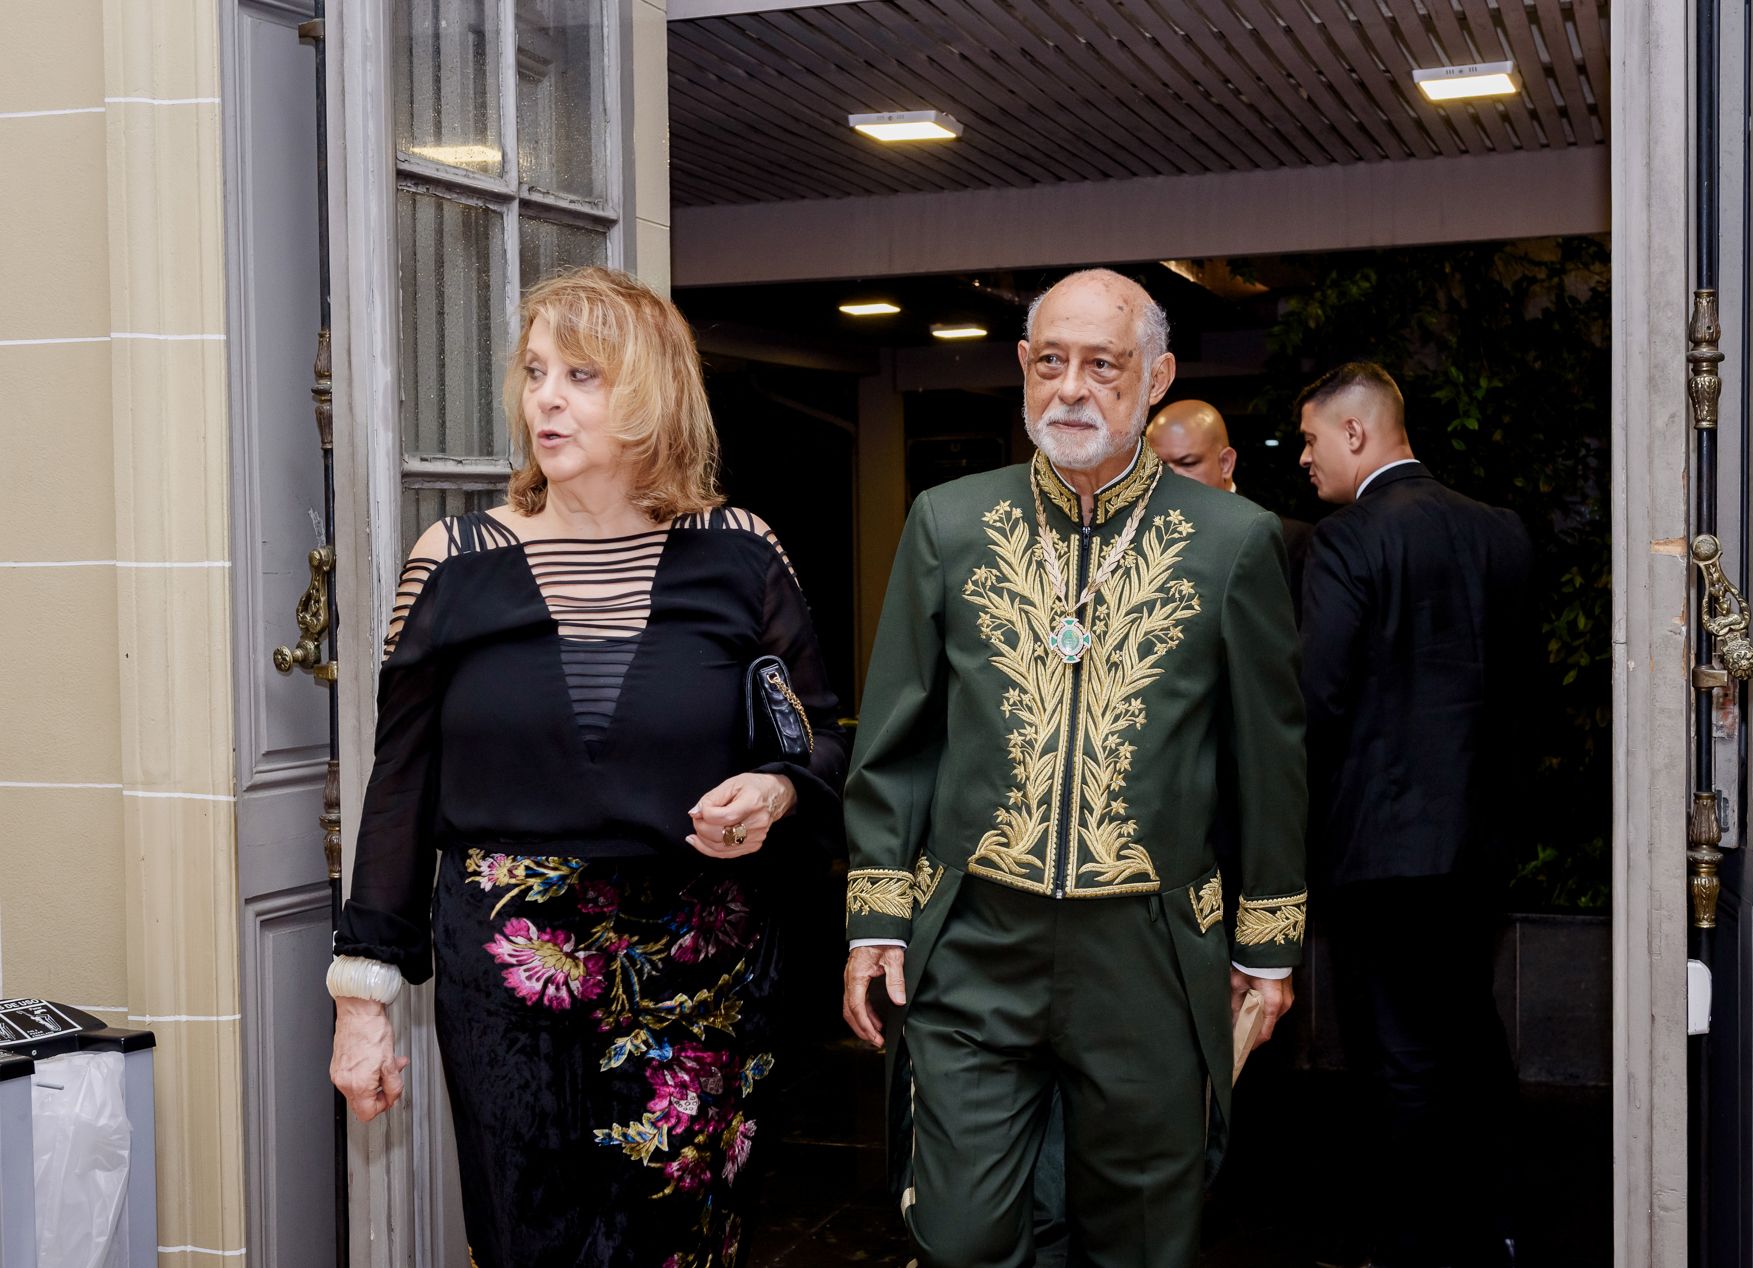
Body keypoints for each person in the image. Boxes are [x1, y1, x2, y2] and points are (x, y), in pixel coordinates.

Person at [326, 267, 846, 1268]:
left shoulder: (740, 554)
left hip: (704, 970)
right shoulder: (455, 558)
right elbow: (398, 787)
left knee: (683, 1243)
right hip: (510, 972)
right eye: (533, 373)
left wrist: (776, 790)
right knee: (530, 1239)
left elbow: (817, 733)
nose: (545, 399)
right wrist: (362, 999)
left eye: (581, 374)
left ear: (652, 396)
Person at [841, 268, 1307, 1268]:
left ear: (1156, 376)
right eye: (1050, 361)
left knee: (1142, 1231)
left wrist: (1266, 948)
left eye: (1103, 365)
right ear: (1021, 369)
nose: (1071, 388)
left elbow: (1270, 754)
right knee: (961, 1232)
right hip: (974, 935)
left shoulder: (1233, 541)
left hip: (1144, 942)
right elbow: (896, 738)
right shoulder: (948, 521)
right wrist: (877, 915)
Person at [1295, 362, 1531, 1268]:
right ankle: (1501, 1224)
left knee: (1397, 1062)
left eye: (1313, 442)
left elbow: (1314, 697)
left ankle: (1410, 1244)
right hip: (1481, 842)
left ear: (1357, 434)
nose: (1306, 463)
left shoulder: (1347, 540)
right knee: (1473, 1037)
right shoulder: (1500, 532)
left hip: (1380, 848)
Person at [1147, 398, 1314, 622]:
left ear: (1225, 463)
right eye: (1159, 468)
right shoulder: (1144, 541)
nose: (1170, 479)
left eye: (1188, 463)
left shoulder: (1290, 540)